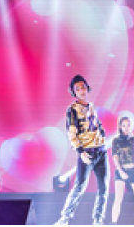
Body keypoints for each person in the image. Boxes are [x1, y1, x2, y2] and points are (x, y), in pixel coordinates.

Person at [55, 75, 108, 225]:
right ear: (74, 92)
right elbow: (71, 133)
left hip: (101, 151)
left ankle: (98, 220)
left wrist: (102, 134)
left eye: (83, 87)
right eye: (77, 89)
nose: (81, 91)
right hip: (87, 152)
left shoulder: (91, 106)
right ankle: (64, 219)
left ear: (87, 88)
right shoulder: (72, 109)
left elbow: (97, 124)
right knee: (79, 187)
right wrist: (81, 151)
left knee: (103, 188)